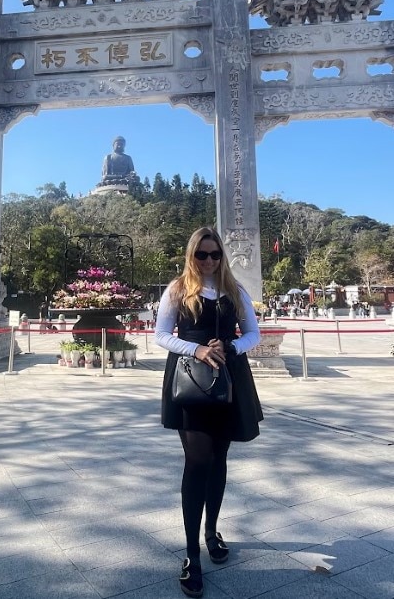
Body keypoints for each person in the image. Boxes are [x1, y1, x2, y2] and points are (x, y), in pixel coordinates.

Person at [155, 226, 262, 598]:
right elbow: (161, 334)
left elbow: (253, 334)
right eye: (202, 254)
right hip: (191, 379)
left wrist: (230, 348)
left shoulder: (236, 290)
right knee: (197, 461)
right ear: (192, 255)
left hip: (229, 378)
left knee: (218, 459)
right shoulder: (178, 289)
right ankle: (190, 555)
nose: (209, 261)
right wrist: (196, 349)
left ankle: (211, 530)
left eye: (215, 254)